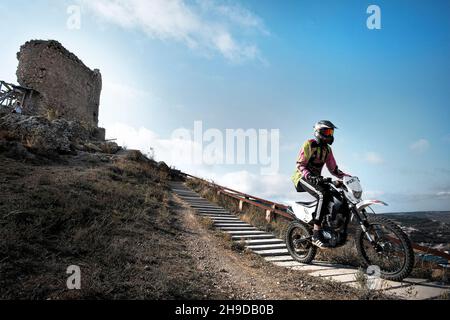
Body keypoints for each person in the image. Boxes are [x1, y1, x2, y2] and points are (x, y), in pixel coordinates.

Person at [291, 120, 350, 248]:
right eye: (327, 131)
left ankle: (329, 226)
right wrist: (310, 176)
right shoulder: (309, 144)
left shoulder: (328, 150)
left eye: (331, 132)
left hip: (317, 179)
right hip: (301, 177)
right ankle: (316, 233)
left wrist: (346, 177)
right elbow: (300, 164)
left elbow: (333, 169)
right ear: (319, 132)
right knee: (322, 194)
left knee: (336, 196)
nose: (330, 134)